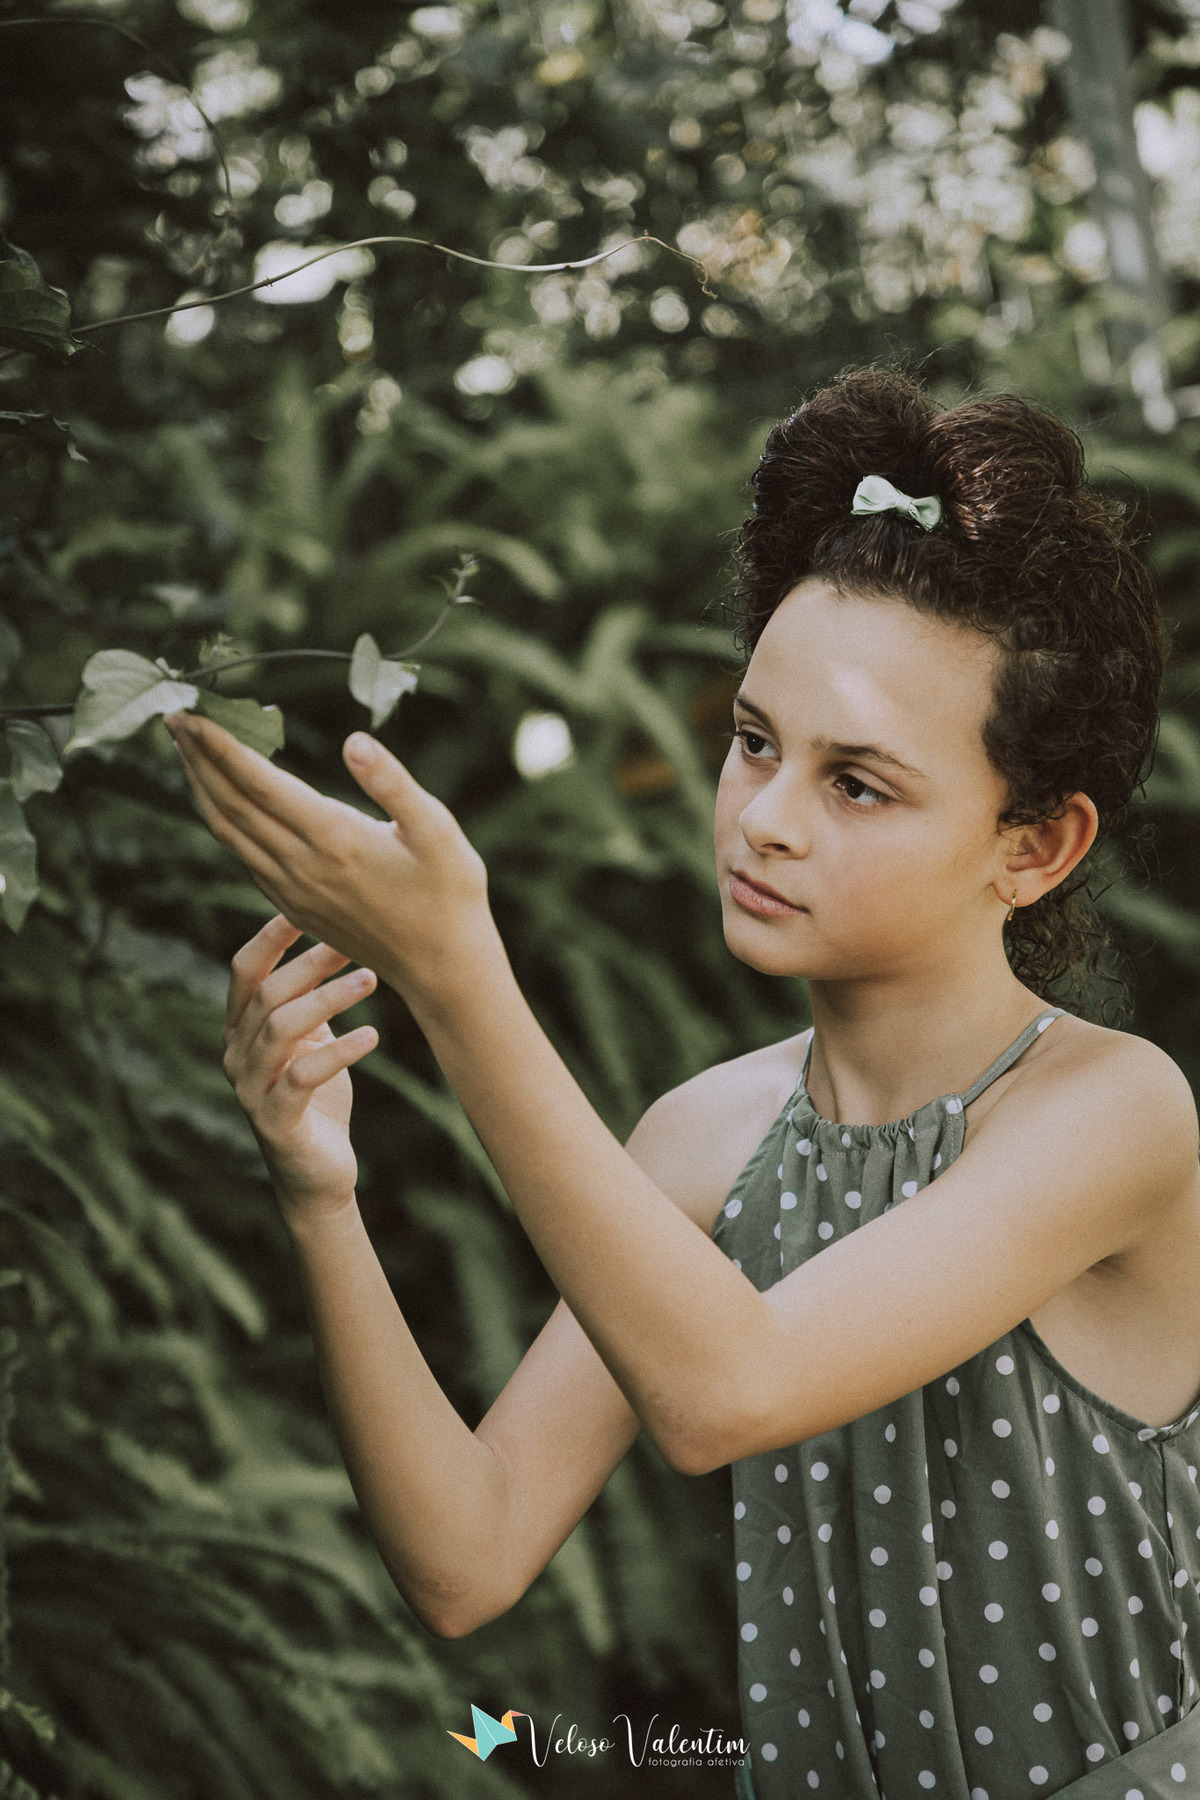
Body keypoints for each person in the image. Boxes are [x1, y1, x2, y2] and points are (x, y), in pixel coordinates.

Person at [167, 364, 1200, 1799]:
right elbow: (466, 1558)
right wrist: (318, 1197)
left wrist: (455, 976)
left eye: (857, 783)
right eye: (754, 741)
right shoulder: (707, 1135)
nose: (763, 817)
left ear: (1035, 846)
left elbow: (727, 1388)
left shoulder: (1113, 1114)